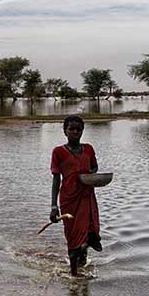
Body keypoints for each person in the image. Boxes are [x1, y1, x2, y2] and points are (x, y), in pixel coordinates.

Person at [49, 114, 102, 276]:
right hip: (69, 199)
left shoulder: (88, 149)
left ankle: (83, 256)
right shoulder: (58, 152)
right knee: (72, 236)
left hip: (87, 195)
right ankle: (74, 275)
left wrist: (88, 175)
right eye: (71, 129)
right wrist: (53, 206)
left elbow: (94, 167)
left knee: (90, 230)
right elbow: (56, 180)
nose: (75, 132)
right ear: (65, 131)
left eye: (79, 129)